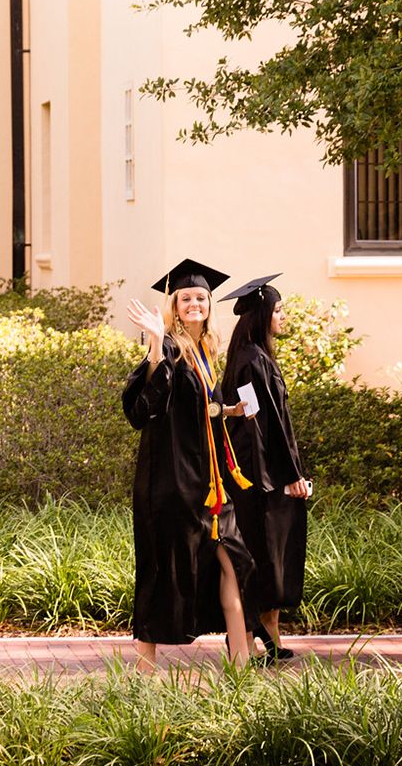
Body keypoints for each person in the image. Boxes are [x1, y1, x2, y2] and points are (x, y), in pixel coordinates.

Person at [121, 258, 256, 671]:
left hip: (210, 484)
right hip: (173, 484)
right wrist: (157, 348)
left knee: (235, 561)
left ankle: (241, 663)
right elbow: (144, 411)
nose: (194, 304)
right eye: (186, 298)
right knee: (164, 567)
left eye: (201, 297)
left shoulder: (203, 349)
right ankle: (144, 667)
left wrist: (228, 410)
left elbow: (199, 407)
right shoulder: (167, 349)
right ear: (174, 305)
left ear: (209, 304)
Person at [219, 274, 310, 665]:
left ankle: (267, 632)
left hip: (262, 475)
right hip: (262, 479)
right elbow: (263, 422)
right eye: (278, 310)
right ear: (261, 316)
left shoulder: (252, 357)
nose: (283, 316)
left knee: (270, 557)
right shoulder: (253, 362)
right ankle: (255, 634)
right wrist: (289, 476)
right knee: (266, 557)